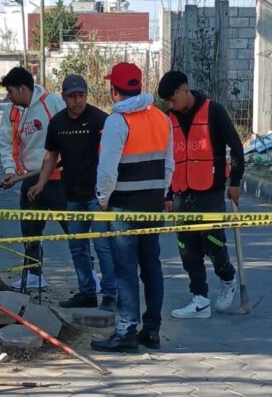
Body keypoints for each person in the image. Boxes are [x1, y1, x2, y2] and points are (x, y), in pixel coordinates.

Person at [90, 62, 173, 353]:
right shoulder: (161, 118)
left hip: (124, 206)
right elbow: (169, 165)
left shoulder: (117, 121)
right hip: (152, 206)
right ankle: (151, 331)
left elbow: (107, 171)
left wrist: (102, 200)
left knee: (125, 269)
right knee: (151, 266)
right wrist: (160, 194)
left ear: (114, 90)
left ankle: (125, 331)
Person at [157, 70, 245, 318]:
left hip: (210, 192)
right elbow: (166, 159)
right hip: (181, 194)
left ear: (185, 91)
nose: (170, 105)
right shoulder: (168, 119)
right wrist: (167, 194)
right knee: (187, 249)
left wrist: (235, 181)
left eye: (173, 99)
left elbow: (236, 147)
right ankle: (200, 299)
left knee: (214, 244)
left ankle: (227, 278)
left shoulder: (214, 111)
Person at [27, 75, 117, 312]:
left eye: (81, 95)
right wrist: (41, 184)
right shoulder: (57, 123)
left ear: (86, 95)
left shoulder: (101, 120)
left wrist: (110, 191)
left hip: (98, 197)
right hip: (73, 196)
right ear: (64, 96)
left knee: (103, 247)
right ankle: (87, 293)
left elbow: (114, 155)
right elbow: (51, 156)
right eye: (72, 96)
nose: (77, 101)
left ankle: (110, 294)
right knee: (77, 247)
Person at [0, 67, 66, 290]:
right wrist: (10, 170)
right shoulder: (11, 112)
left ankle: (89, 277)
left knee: (73, 228)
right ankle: (34, 275)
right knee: (30, 230)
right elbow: (6, 144)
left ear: (22, 89)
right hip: (30, 178)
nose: (8, 96)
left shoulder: (52, 102)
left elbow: (68, 132)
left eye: (10, 91)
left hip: (59, 177)